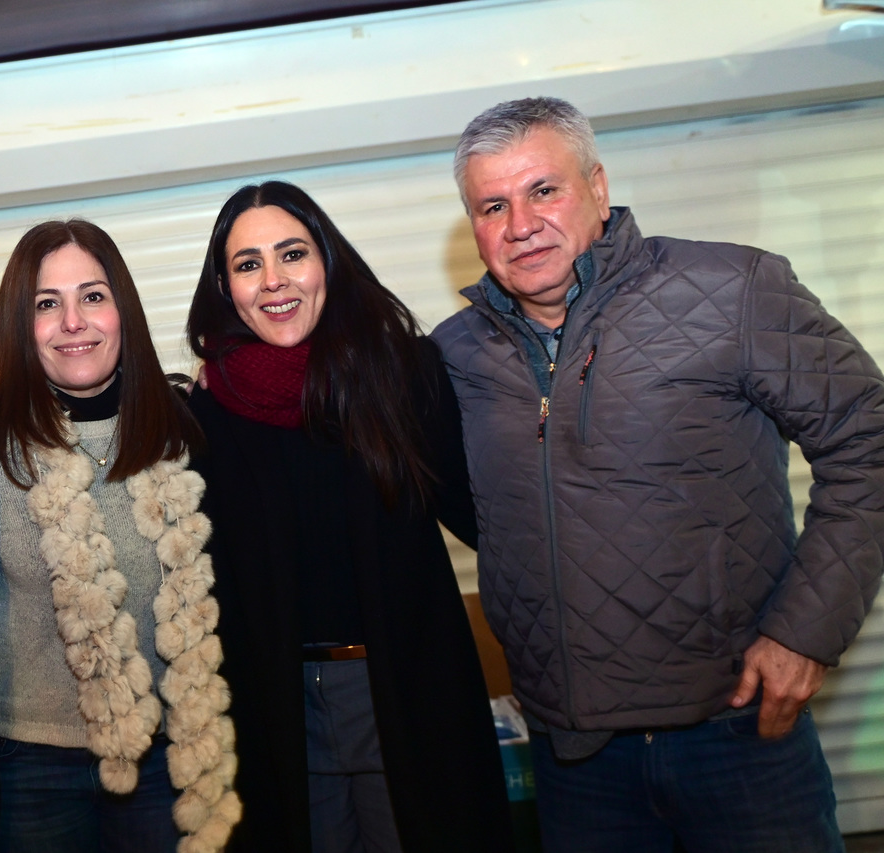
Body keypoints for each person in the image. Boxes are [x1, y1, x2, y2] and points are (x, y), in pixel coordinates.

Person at [432, 96, 884, 853]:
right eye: (492, 205)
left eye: (544, 189)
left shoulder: (734, 290)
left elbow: (868, 441)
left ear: (598, 189)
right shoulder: (456, 355)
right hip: (575, 758)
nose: (520, 224)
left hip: (739, 734)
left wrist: (806, 632)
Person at [186, 181, 514, 852]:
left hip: (404, 692)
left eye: (292, 254)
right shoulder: (206, 411)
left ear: (327, 262)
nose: (274, 281)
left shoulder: (403, 373)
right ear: (225, 286)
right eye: (248, 264)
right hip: (274, 707)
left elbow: (494, 520)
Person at [0, 219, 240, 853]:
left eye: (93, 296)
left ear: (122, 309)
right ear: (18, 326)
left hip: (167, 757)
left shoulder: (185, 427)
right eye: (46, 304)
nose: (73, 321)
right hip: (30, 768)